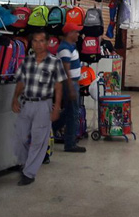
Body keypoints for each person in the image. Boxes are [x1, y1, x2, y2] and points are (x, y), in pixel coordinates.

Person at [11, 30, 66, 186]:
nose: (38, 44)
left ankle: (29, 173)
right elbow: (21, 82)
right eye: (35, 41)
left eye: (42, 41)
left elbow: (59, 86)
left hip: (44, 104)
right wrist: (15, 98)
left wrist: (57, 107)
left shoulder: (55, 62)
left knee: (38, 140)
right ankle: (24, 164)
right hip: (26, 103)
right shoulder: (27, 61)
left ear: (47, 43)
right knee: (20, 137)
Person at [57, 22, 86, 153]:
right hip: (69, 83)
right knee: (73, 114)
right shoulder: (65, 48)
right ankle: (70, 144)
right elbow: (65, 70)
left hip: (73, 83)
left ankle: (51, 127)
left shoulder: (71, 46)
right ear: (70, 33)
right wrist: (71, 88)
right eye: (76, 32)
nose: (78, 34)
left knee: (69, 112)